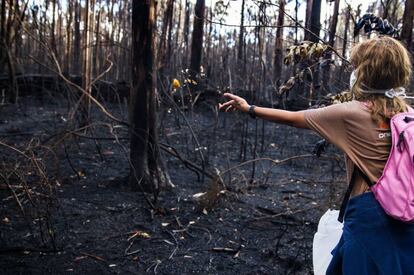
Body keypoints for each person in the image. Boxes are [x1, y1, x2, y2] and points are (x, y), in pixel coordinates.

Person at [218, 36, 414, 274]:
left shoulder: (349, 113)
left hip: (368, 219)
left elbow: (295, 118)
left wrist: (249, 108)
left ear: (367, 72)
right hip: (405, 223)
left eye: (357, 66)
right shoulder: (409, 115)